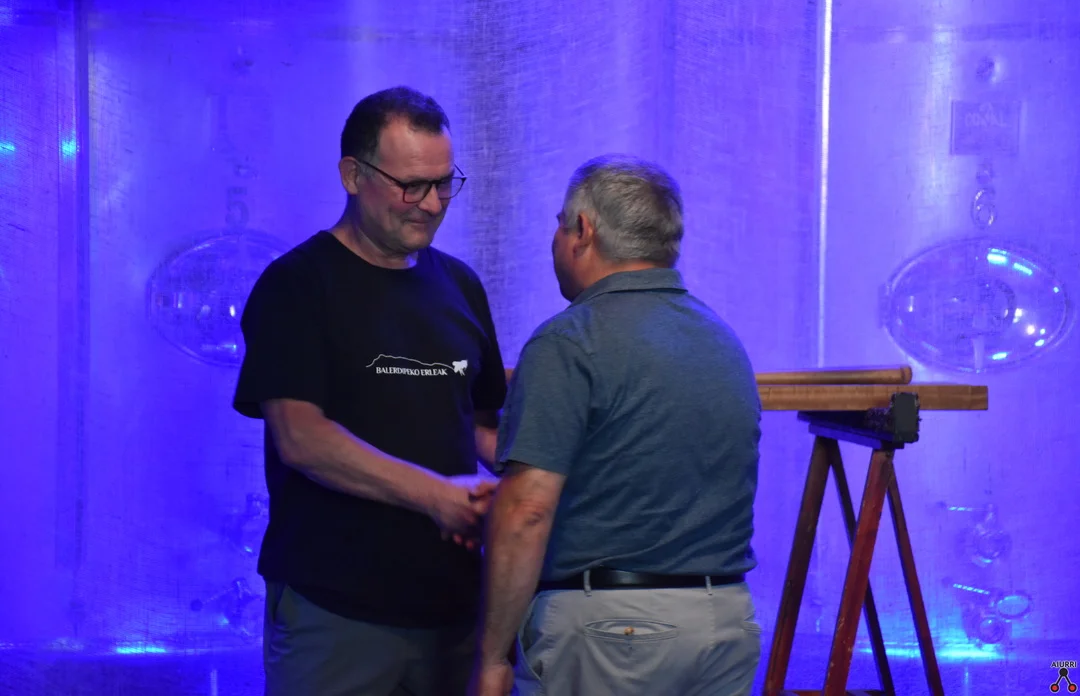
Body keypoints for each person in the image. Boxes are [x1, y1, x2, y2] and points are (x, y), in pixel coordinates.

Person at [233, 86, 507, 696]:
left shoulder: (461, 285)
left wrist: (538, 475)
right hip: (337, 614)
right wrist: (436, 496)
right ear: (352, 176)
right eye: (411, 185)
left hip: (455, 609)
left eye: (444, 184)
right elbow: (301, 437)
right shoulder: (297, 285)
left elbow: (478, 425)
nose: (431, 204)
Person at [473, 155, 763, 696]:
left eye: (559, 224)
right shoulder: (722, 342)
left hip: (615, 635)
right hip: (726, 623)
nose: (555, 239)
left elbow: (528, 509)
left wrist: (491, 657)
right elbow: (624, 458)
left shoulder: (570, 341)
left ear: (583, 231)